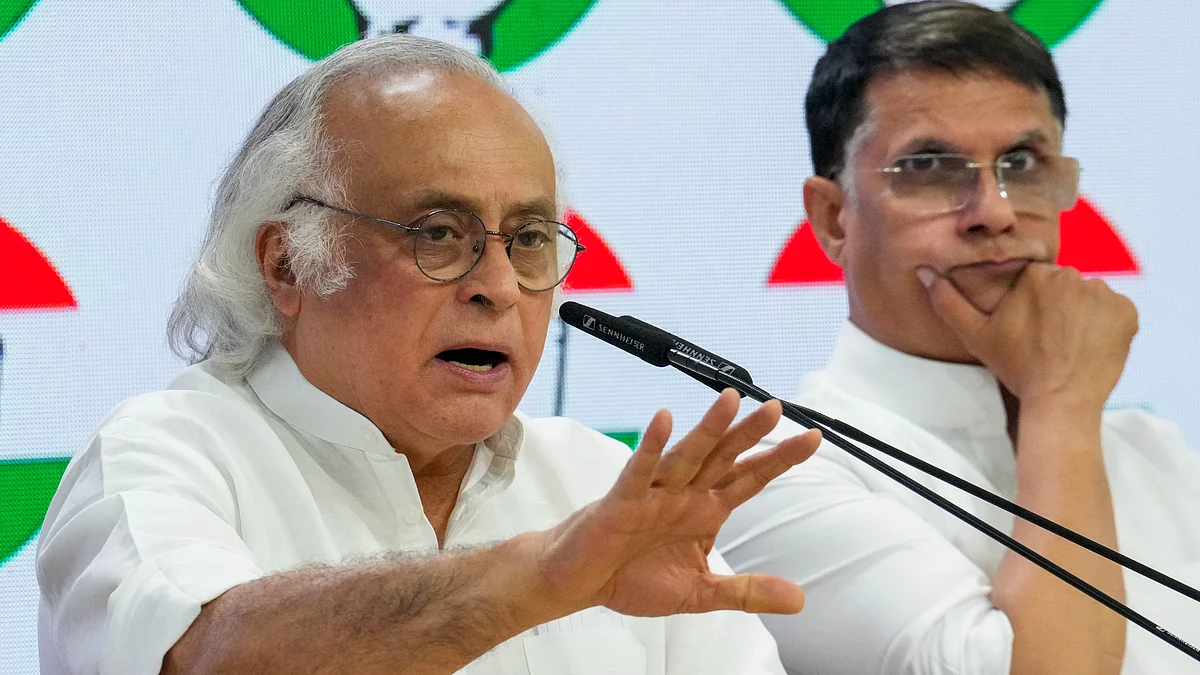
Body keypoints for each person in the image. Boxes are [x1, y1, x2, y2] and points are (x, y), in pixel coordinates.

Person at [35, 35, 822, 675]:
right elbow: (201, 658)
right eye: (438, 234)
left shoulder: (596, 482)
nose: (498, 286)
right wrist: (541, 577)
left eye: (529, 240)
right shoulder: (162, 456)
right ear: (288, 264)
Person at [716, 2, 1200, 674]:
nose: (995, 213)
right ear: (832, 218)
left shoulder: (1157, 456)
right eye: (929, 168)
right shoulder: (776, 474)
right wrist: (1059, 399)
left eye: (1023, 162)